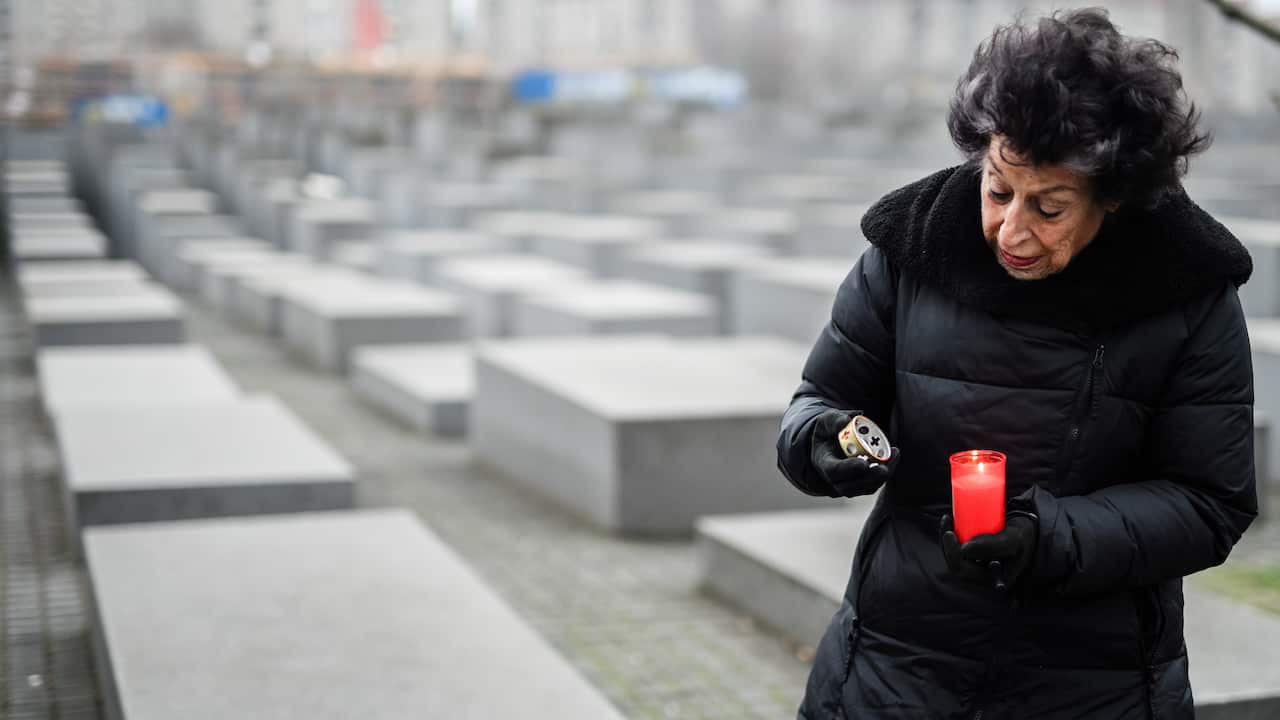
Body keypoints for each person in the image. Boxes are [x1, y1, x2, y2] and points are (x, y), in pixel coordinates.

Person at [776, 8, 1257, 719]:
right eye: (998, 190)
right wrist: (826, 443)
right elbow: (817, 400)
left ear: (1114, 198)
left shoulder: (1187, 294)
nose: (1011, 228)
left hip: (1092, 682)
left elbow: (1210, 502)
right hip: (896, 665)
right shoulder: (907, 253)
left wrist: (1049, 536)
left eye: (1050, 207)